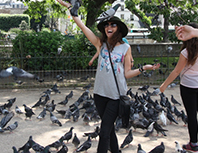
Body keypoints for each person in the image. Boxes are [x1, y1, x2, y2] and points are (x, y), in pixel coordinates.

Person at [57, 0, 160, 152]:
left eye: (113, 25)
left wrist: (143, 68)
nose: (108, 27)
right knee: (109, 128)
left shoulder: (126, 48)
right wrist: (73, 11)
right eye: (106, 25)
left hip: (116, 96)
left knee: (104, 132)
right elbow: (83, 27)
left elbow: (126, 74)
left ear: (118, 29)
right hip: (99, 94)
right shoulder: (100, 44)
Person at [160, 23, 198, 153]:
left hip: (188, 86)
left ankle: (194, 143)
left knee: (192, 115)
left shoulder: (186, 52)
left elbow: (176, 72)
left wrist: (164, 85)